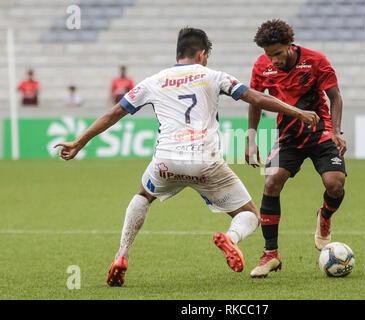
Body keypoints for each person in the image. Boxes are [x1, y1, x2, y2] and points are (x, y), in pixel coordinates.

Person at [54, 27, 320, 286]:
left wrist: (79, 143)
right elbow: (257, 98)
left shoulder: (153, 81)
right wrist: (298, 113)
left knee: (143, 195)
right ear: (202, 54)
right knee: (249, 213)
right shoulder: (213, 76)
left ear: (179, 52)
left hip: (166, 162)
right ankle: (231, 238)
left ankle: (121, 254)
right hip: (205, 163)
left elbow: (112, 115)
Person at [245, 19, 347, 278]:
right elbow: (255, 102)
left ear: (290, 45)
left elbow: (335, 96)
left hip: (320, 131)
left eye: (278, 54)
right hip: (289, 136)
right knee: (271, 182)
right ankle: (271, 254)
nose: (274, 60)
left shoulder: (315, 60)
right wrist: (251, 137)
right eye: (269, 55)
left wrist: (335, 131)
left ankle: (324, 216)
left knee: (335, 184)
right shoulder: (262, 66)